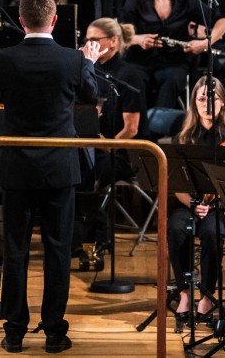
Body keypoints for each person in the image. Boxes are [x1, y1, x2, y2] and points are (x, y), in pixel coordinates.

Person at [0, 0, 101, 353]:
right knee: (56, 250)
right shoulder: (72, 59)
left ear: (20, 21)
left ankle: (14, 332)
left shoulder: (4, 58)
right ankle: (54, 331)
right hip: (60, 168)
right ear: (54, 20)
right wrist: (88, 62)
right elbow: (89, 93)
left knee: (16, 249)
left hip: (17, 168)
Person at [167, 77, 225, 323]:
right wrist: (192, 203)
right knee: (177, 228)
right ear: (194, 103)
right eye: (201, 98)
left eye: (213, 97)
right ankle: (184, 293)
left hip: (223, 207)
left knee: (212, 233)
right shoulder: (184, 136)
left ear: (223, 102)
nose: (207, 103)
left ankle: (208, 295)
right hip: (191, 203)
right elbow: (176, 183)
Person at [77, 18, 146, 266]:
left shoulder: (129, 75)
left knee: (92, 172)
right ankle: (81, 241)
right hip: (94, 147)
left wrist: (105, 144)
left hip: (124, 152)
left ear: (114, 41)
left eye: (94, 39)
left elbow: (132, 129)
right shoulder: (90, 71)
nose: (88, 44)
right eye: (87, 39)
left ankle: (98, 242)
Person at [122, 0, 220, 109]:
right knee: (134, 78)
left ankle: (160, 124)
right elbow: (121, 32)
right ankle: (138, 126)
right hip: (139, 59)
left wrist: (205, 43)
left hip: (175, 60)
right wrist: (138, 39)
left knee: (171, 79)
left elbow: (222, 20)